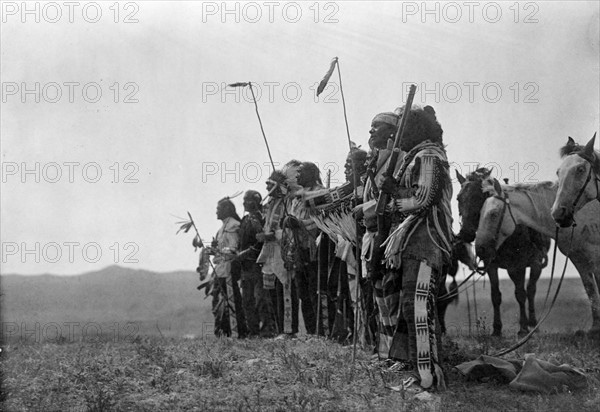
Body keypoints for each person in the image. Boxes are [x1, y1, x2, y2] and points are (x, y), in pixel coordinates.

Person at [380, 104, 453, 391]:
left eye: (402, 129)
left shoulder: (429, 156)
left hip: (427, 241)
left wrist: (394, 193)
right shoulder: (417, 156)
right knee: (412, 307)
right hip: (414, 240)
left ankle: (428, 379)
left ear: (415, 129)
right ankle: (420, 373)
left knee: (418, 308)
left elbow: (425, 198)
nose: (398, 136)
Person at [358, 110, 406, 360]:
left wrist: (363, 208)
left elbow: (391, 198)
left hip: (390, 236)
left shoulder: (400, 159)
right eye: (370, 126)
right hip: (371, 236)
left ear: (391, 132)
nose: (371, 131)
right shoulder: (375, 161)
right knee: (379, 296)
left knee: (392, 296)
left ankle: (397, 355)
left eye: (376, 126)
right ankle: (386, 352)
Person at [256, 169, 299, 337]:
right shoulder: (271, 205)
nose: (267, 190)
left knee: (286, 290)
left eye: (270, 186)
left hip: (282, 251)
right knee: (272, 292)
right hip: (270, 252)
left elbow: (290, 229)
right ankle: (279, 329)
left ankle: (289, 330)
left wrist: (272, 235)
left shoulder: (288, 203)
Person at [236, 190, 276, 337]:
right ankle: (253, 331)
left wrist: (246, 253)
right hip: (245, 267)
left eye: (248, 200)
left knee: (261, 299)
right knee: (247, 300)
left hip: (258, 264)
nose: (244, 203)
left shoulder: (261, 219)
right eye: (244, 200)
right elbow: (241, 242)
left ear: (255, 202)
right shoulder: (245, 220)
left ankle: (267, 331)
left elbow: (262, 243)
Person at [210, 197, 247, 338]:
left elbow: (234, 248)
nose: (216, 212)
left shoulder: (233, 225)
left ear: (226, 210)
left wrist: (220, 252)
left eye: (218, 209)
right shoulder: (222, 228)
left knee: (231, 300)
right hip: (221, 270)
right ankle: (223, 332)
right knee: (220, 301)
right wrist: (213, 251)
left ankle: (237, 332)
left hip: (229, 269)